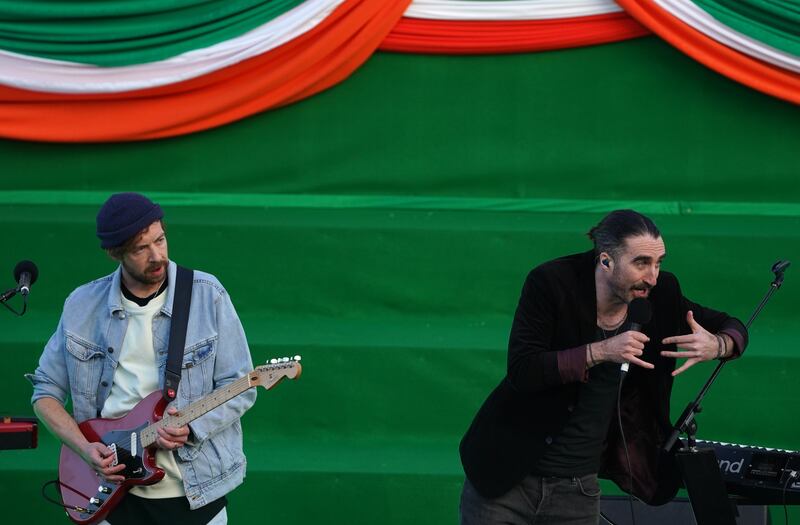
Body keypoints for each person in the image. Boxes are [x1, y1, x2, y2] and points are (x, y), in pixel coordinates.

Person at [459, 209, 747, 524]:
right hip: (507, 478)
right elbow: (523, 369)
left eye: (659, 262)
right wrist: (601, 351)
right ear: (606, 260)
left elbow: (728, 324)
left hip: (578, 489)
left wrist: (719, 344)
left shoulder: (660, 293)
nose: (652, 276)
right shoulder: (552, 283)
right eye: (641, 263)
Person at [27, 192, 255, 524]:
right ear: (113, 253)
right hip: (109, 493)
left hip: (197, 492)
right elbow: (45, 393)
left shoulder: (208, 295)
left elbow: (243, 385)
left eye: (160, 240)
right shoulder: (82, 305)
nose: (157, 255)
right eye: (140, 248)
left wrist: (191, 427)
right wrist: (84, 448)